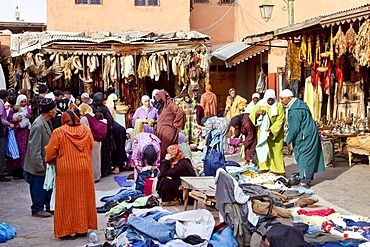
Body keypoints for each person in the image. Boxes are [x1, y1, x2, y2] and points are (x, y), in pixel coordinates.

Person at [45, 110, 97, 240]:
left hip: (66, 170)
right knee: (83, 198)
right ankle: (82, 228)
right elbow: (91, 146)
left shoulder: (59, 132)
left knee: (66, 199)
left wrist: (51, 159)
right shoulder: (86, 130)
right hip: (84, 169)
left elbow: (50, 153)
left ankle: (68, 231)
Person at [280, 89, 325, 187]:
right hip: (309, 133)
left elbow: (294, 128)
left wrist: (287, 140)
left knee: (304, 157)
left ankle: (305, 180)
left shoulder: (295, 110)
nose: (281, 101)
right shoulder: (299, 105)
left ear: (288, 98)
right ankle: (307, 176)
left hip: (305, 136)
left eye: (282, 99)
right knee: (308, 156)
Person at [24, 98, 56, 217]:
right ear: (50, 111)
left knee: (45, 187)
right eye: (54, 108)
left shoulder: (46, 122)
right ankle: (37, 209)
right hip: (38, 164)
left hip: (45, 163)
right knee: (38, 187)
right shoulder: (38, 125)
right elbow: (34, 148)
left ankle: (46, 206)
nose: (56, 110)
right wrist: (39, 166)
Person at [249, 89, 285, 175]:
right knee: (263, 150)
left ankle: (279, 170)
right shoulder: (260, 104)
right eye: (268, 100)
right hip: (263, 133)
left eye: (272, 100)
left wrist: (272, 129)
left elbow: (280, 119)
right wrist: (258, 113)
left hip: (276, 134)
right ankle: (264, 168)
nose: (270, 102)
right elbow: (252, 115)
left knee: (277, 152)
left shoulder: (278, 105)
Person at [154, 90, 186, 160]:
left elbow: (181, 112)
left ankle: (169, 165)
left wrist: (175, 123)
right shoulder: (163, 106)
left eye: (159, 99)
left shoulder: (171, 104)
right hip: (161, 132)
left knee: (167, 149)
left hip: (168, 132)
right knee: (161, 149)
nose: (158, 102)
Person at [7, 94, 32, 179]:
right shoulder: (13, 110)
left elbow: (30, 118)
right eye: (22, 102)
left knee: (25, 151)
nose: (24, 103)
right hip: (17, 134)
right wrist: (15, 120)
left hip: (26, 133)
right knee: (17, 151)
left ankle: (24, 170)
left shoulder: (28, 109)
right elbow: (9, 120)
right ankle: (16, 171)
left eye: (25, 101)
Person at [79, 103, 106, 182]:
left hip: (91, 140)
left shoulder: (84, 118)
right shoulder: (93, 116)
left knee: (92, 159)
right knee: (97, 158)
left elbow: (82, 131)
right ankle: (97, 175)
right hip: (98, 140)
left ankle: (93, 177)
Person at [92, 92, 114, 176]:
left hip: (95, 133)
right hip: (103, 133)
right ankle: (105, 170)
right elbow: (110, 120)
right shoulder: (104, 109)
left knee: (99, 153)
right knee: (104, 152)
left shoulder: (93, 108)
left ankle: (101, 171)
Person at [0, 90, 14, 182]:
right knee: (1, 152)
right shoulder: (1, 104)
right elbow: (0, 118)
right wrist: (8, 123)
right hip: (0, 131)